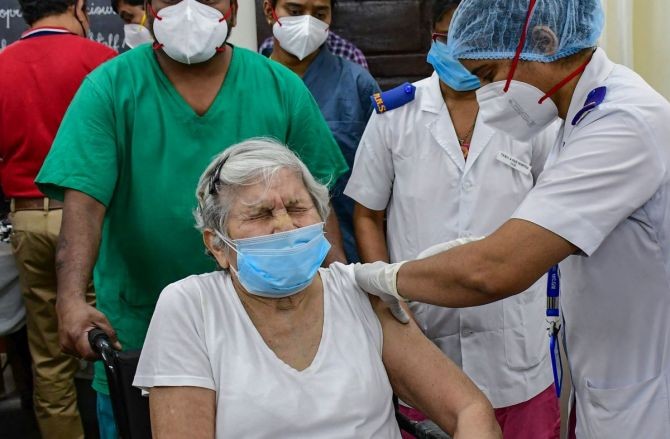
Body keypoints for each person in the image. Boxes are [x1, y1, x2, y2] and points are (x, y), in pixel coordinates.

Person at [353, 1, 670, 438]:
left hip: (646, 401)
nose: (484, 96)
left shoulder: (622, 122)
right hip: (607, 381)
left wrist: (384, 280)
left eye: (487, 76)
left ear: (544, 41)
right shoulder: (577, 118)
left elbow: (495, 269)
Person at [35, 1, 348, 437]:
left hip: (275, 330)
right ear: (146, 7)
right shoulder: (110, 87)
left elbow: (317, 204)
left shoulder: (279, 87)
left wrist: (346, 289)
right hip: (140, 336)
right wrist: (70, 298)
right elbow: (84, 203)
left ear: (235, 9)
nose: (190, 6)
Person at [133, 138, 502, 439]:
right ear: (218, 246)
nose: (285, 225)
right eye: (260, 214)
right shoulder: (191, 308)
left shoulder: (359, 292)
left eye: (296, 208)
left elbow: (468, 409)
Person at [345, 1, 560, 437]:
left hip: (515, 338)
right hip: (423, 331)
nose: (461, 54)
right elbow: (367, 214)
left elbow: (556, 214)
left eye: (475, 42)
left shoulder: (528, 113)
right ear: (432, 38)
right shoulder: (396, 115)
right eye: (448, 39)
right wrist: (392, 295)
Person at [0, 1, 116, 437]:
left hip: (27, 219)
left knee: (47, 354)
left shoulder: (2, 65)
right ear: (79, 7)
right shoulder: (104, 63)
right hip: (93, 219)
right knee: (115, 333)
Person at [262, 0, 379, 262]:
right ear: (270, 11)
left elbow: (384, 178)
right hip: (265, 247)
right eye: (294, 12)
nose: (307, 22)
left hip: (347, 246)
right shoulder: (250, 82)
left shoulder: (357, 83)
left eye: (319, 13)